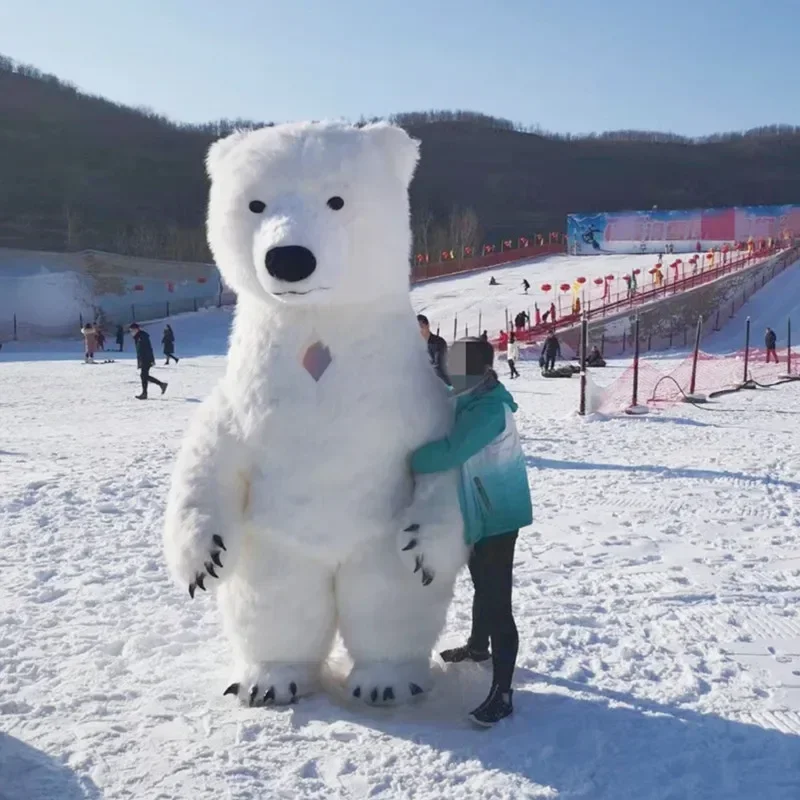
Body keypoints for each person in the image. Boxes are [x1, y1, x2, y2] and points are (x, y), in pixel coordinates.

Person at [408, 337, 532, 726]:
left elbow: (449, 453)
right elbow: (441, 395)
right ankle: (479, 647)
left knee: (498, 602)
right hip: (478, 509)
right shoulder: (471, 393)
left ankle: (504, 693)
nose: (445, 369)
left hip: (498, 516)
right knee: (482, 584)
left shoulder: (488, 409)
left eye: (451, 364)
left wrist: (399, 460)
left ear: (471, 371)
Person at [130, 323, 168, 399]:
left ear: (137, 329)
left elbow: (148, 348)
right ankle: (161, 385)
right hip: (143, 359)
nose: (131, 332)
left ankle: (146, 393)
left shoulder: (142, 336)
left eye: (132, 330)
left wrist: (151, 359)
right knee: (144, 376)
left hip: (146, 359)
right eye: (130, 331)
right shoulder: (138, 337)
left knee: (143, 376)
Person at [417, 314, 449, 385]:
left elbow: (439, 366)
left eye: (421, 327)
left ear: (427, 326)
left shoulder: (439, 342)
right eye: (417, 329)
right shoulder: (417, 346)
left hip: (445, 382)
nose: (420, 331)